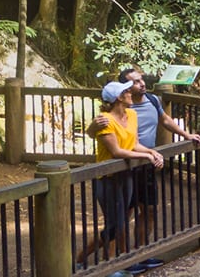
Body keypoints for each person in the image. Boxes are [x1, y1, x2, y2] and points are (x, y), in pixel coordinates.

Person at [91, 67, 200, 273]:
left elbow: (165, 120)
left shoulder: (150, 101)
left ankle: (140, 253)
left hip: (145, 163)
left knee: (149, 209)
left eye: (141, 80)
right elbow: (103, 137)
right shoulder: (111, 116)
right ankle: (123, 260)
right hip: (126, 166)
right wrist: (147, 154)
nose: (141, 84)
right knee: (123, 215)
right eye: (135, 82)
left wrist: (187, 136)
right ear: (123, 90)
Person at [77, 81, 164, 268]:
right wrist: (146, 156)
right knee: (115, 225)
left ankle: (116, 262)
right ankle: (95, 261)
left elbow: (134, 143)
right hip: (108, 179)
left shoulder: (131, 114)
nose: (130, 93)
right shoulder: (105, 120)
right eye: (127, 91)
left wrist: (151, 152)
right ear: (118, 97)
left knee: (121, 221)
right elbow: (116, 151)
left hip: (126, 175)